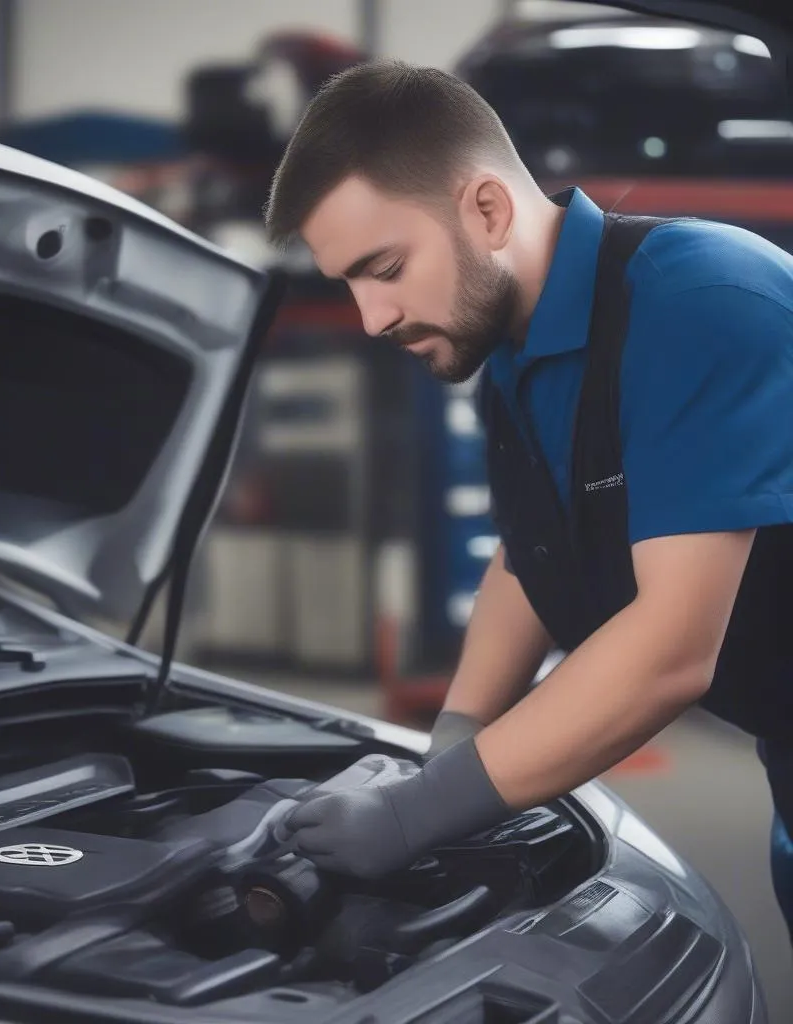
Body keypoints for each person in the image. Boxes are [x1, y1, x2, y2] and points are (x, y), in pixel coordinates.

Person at [262, 59, 793, 937]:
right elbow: (530, 553)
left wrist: (415, 815)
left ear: (487, 209)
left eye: (385, 266)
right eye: (349, 283)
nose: (370, 318)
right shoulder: (514, 352)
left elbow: (670, 650)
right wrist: (450, 752)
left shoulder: (695, 300)